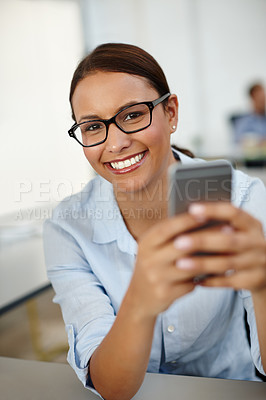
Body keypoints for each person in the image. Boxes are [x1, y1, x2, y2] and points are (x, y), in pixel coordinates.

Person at [43, 43, 266, 400]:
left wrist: (263, 287)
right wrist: (140, 304)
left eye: (132, 115)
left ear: (171, 113)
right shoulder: (68, 228)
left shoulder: (242, 200)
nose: (114, 143)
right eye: (92, 126)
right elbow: (111, 387)